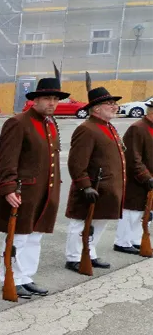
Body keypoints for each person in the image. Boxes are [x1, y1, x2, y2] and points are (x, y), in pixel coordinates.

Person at [0, 74, 63, 297]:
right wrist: (8, 187)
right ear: (35, 100)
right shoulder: (18, 123)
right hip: (23, 190)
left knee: (35, 236)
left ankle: (26, 276)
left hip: (44, 191)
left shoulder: (51, 123)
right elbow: (7, 158)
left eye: (55, 99)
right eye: (47, 98)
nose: (52, 103)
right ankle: (11, 278)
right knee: (18, 236)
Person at [64, 83, 125, 272]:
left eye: (114, 103)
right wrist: (84, 185)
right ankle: (74, 257)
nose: (115, 106)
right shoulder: (87, 129)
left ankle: (89, 252)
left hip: (107, 187)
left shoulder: (109, 127)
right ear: (97, 108)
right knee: (80, 223)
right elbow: (76, 162)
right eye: (110, 103)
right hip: (92, 186)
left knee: (100, 222)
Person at [113, 99, 153, 254]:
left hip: (149, 179)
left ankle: (136, 240)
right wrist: (146, 177)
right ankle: (122, 242)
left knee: (145, 212)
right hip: (137, 180)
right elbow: (132, 158)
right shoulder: (137, 128)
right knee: (132, 212)